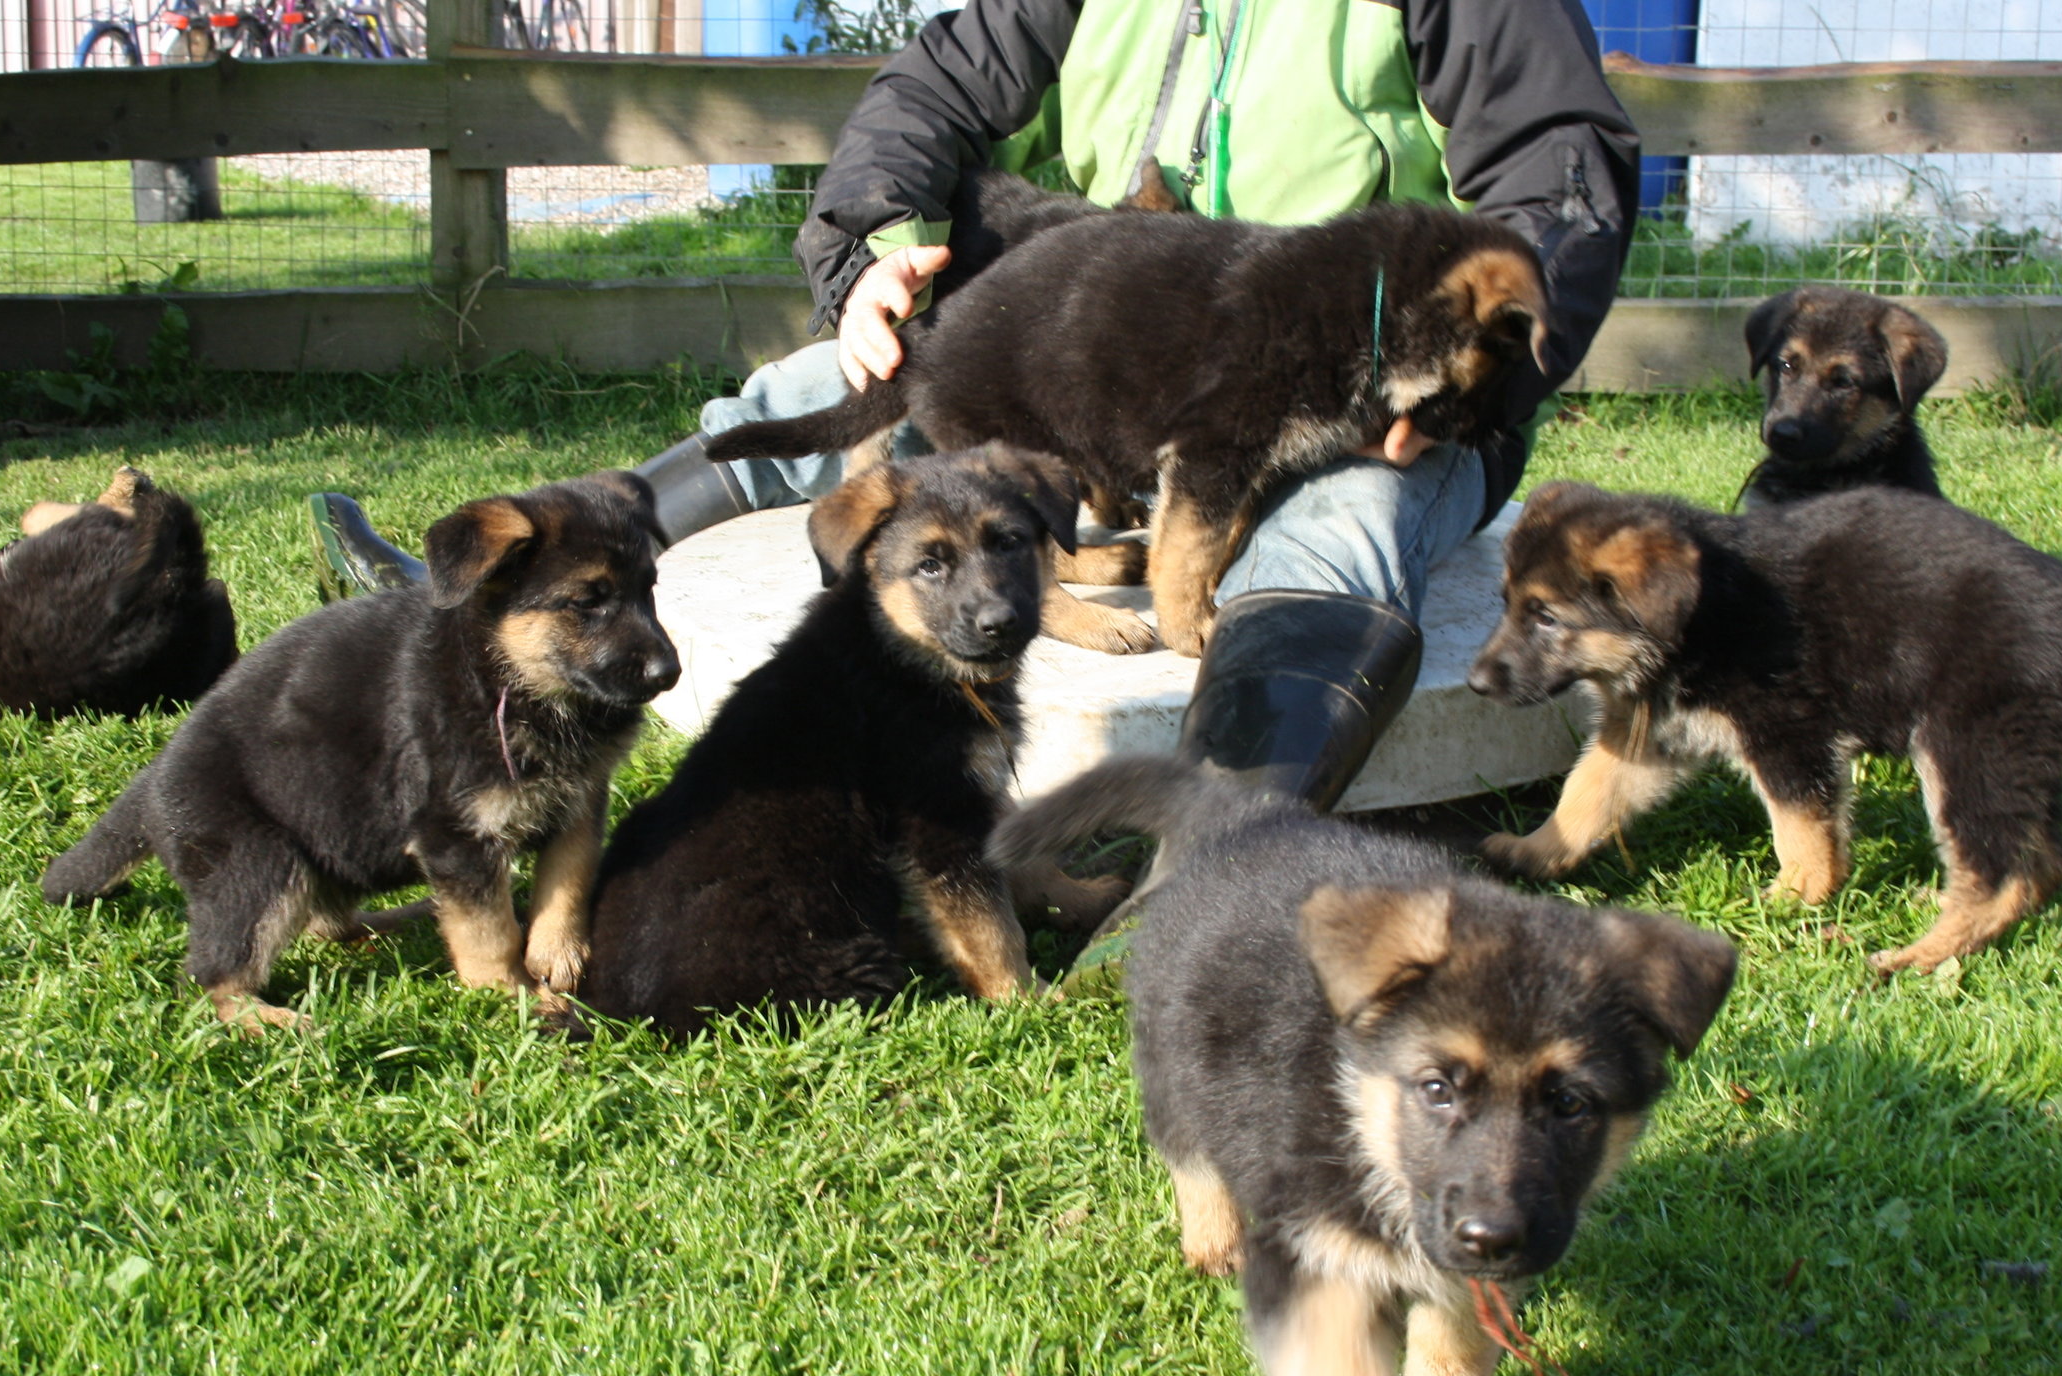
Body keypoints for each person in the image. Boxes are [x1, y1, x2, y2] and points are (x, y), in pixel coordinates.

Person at [318, 0, 1637, 812]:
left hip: (1384, 397)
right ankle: (459, 604)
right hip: (1132, 348)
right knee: (816, 389)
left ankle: (1211, 857)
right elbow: (931, 95)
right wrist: (875, 247)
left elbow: (1562, 169)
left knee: (1338, 532)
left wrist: (1480, 373)